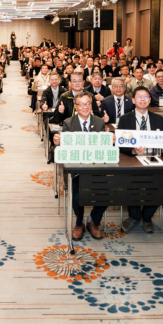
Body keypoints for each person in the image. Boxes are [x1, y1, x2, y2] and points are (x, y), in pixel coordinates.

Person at [118, 86, 163, 234]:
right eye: (139, 96)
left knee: (161, 184)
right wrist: (132, 150)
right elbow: (120, 145)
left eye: (146, 97)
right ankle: (134, 216)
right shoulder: (125, 119)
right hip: (133, 160)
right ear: (133, 100)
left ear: (150, 100)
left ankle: (147, 217)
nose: (143, 99)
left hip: (153, 159)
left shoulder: (158, 119)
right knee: (129, 183)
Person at [53, 92, 107, 240]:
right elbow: (66, 146)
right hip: (76, 169)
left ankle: (93, 221)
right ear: (76, 107)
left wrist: (110, 140)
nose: (85, 107)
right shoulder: (68, 123)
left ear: (91, 105)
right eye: (81, 104)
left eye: (87, 104)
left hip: (96, 167)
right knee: (77, 194)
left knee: (108, 191)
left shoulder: (99, 122)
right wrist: (58, 141)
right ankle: (79, 223)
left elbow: (102, 147)